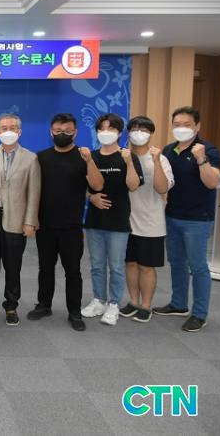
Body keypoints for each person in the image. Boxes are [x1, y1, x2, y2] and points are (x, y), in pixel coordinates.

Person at [28, 113, 103, 331]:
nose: (63, 134)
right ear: (51, 132)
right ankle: (44, 305)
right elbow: (33, 190)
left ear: (75, 132)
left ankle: (74, 312)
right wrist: (33, 218)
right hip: (45, 224)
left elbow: (97, 185)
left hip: (72, 225)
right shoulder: (41, 157)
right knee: (45, 268)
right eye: (58, 131)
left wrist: (89, 161)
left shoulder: (84, 156)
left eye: (68, 131)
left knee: (73, 271)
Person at [154, 106, 220, 332]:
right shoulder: (169, 149)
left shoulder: (209, 150)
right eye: (177, 125)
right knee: (177, 262)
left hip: (198, 219)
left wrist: (201, 159)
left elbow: (212, 182)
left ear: (197, 126)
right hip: (173, 214)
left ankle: (200, 314)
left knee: (197, 266)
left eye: (187, 125)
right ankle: (178, 304)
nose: (181, 128)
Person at [0, 113, 40, 326]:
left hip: (17, 219)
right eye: (4, 128)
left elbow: (34, 193)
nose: (8, 131)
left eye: (12, 127)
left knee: (13, 266)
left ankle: (11, 306)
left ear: (19, 131)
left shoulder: (30, 158)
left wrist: (30, 221)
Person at [83, 113, 143, 326]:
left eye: (111, 128)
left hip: (118, 221)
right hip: (94, 220)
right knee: (97, 265)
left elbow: (133, 185)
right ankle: (99, 300)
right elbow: (80, 186)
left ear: (119, 132)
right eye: (102, 128)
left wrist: (129, 163)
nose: (105, 132)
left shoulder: (128, 156)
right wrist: (91, 197)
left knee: (116, 266)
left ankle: (114, 304)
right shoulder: (90, 156)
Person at [119, 116, 174, 323]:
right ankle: (133, 301)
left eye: (143, 129)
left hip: (151, 222)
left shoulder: (161, 158)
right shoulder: (123, 156)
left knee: (146, 267)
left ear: (151, 134)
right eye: (134, 129)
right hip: (125, 221)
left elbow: (162, 188)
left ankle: (146, 305)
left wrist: (157, 161)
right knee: (130, 264)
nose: (138, 133)